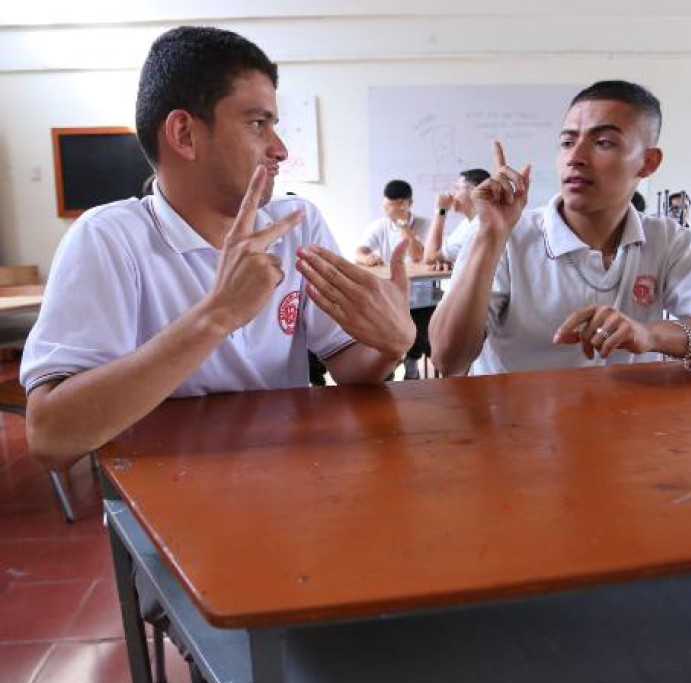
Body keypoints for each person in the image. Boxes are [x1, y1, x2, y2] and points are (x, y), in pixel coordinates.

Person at [22, 25, 414, 470]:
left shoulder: (296, 226)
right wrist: (217, 315)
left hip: (290, 478)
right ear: (185, 134)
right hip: (167, 495)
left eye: (274, 125)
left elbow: (348, 365)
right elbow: (51, 436)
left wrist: (391, 344)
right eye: (256, 124)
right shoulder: (110, 239)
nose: (280, 149)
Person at [428, 80, 691, 377]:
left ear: (648, 163)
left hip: (623, 427)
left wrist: (651, 335)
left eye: (603, 142)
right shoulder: (507, 235)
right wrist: (490, 235)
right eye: (567, 142)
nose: (576, 156)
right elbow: (448, 358)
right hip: (516, 429)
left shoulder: (665, 240)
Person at [356, 179, 432, 379]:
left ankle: (412, 362)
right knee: (380, 323)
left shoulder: (424, 224)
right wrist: (367, 257)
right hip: (389, 293)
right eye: (388, 205)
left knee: (419, 323)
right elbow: (359, 251)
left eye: (396, 205)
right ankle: (387, 367)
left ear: (408, 203)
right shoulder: (380, 225)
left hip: (420, 294)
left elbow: (417, 256)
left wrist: (401, 223)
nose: (390, 210)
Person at [423, 168, 490, 268]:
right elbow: (436, 254)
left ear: (474, 191)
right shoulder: (467, 222)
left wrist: (441, 211)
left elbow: (429, 257)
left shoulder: (478, 226)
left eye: (458, 188)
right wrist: (443, 259)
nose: (452, 194)